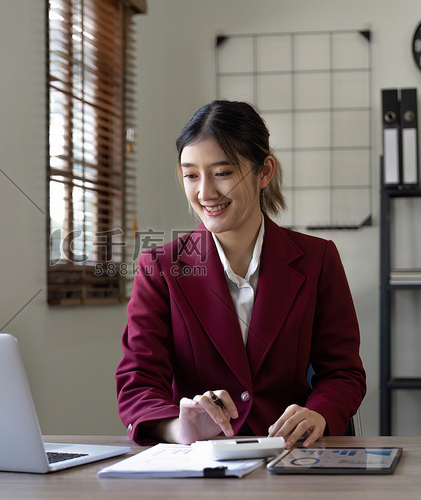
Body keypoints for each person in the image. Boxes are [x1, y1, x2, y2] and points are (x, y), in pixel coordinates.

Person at [115, 100, 366, 449]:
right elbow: (138, 382)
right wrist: (179, 429)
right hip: (200, 465)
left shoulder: (317, 258)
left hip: (291, 457)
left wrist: (319, 414)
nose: (205, 193)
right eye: (191, 175)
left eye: (222, 173)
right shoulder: (160, 266)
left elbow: (343, 372)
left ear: (264, 172)